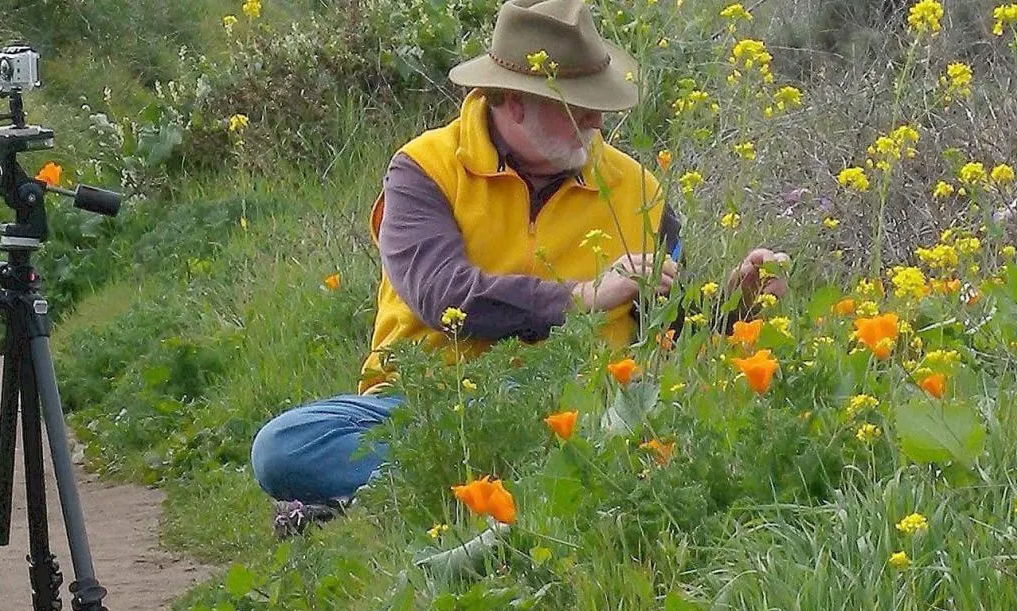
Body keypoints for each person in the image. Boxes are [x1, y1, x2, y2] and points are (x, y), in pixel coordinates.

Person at [252, 0, 788, 533]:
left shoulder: (638, 189)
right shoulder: (423, 169)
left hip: (575, 410)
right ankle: (508, 484)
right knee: (282, 448)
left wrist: (737, 303)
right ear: (511, 100)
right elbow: (444, 295)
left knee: (653, 425)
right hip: (432, 410)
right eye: (576, 104)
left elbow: (664, 327)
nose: (597, 120)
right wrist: (582, 298)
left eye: (597, 101)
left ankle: (438, 493)